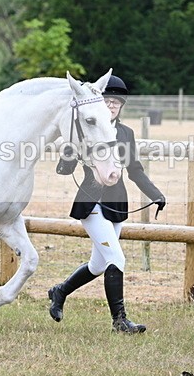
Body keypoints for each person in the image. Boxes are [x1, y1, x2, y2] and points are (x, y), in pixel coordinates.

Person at [50, 74, 166, 333]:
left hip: (116, 203)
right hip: (91, 203)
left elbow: (135, 169)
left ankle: (60, 291)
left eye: (117, 102)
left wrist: (155, 193)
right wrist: (68, 151)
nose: (112, 105)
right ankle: (120, 321)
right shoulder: (84, 130)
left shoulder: (125, 133)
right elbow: (63, 170)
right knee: (116, 257)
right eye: (108, 100)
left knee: (98, 265)